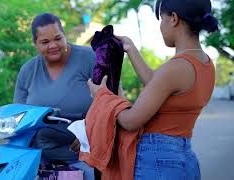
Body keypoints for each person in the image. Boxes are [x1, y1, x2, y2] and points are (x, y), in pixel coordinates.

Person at [86, 0, 219, 179]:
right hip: (184, 159)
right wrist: (131, 49)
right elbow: (156, 84)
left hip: (157, 162)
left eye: (160, 19)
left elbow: (131, 121)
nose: (160, 27)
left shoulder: (175, 67)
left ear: (173, 18)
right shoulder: (206, 64)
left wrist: (102, 96)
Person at [13, 13, 95, 163]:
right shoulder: (28, 71)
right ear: (35, 43)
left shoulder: (89, 58)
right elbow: (19, 116)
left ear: (64, 35)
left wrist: (89, 130)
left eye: (58, 38)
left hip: (89, 143)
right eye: (45, 42)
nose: (53, 46)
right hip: (42, 151)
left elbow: (110, 99)